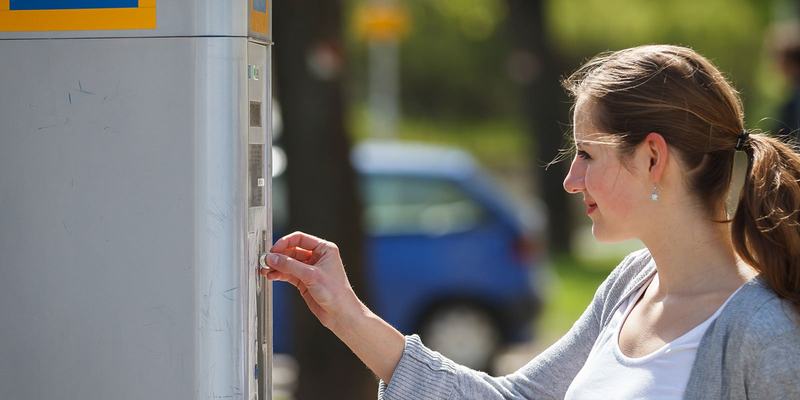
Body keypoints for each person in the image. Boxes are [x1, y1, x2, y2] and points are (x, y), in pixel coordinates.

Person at [259, 45, 800, 399]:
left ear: (652, 158)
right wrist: (347, 315)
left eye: (587, 154)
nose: (571, 179)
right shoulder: (631, 286)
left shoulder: (764, 332)